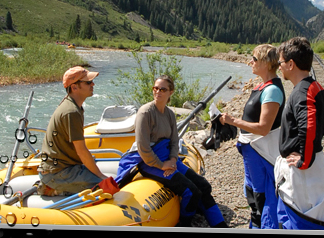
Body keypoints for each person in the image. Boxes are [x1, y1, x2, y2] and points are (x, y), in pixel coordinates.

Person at [116, 75, 228, 228]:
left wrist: (173, 160)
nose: (158, 92)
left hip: (168, 157)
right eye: (155, 88)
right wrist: (162, 165)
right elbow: (143, 148)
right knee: (191, 191)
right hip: (150, 162)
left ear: (171, 92)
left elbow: (174, 141)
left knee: (204, 186)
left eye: (163, 89)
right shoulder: (145, 113)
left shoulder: (169, 114)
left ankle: (219, 225)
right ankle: (185, 223)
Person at [219, 44, 285, 229]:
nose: (250, 62)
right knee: (253, 193)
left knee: (262, 195)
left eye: (254, 59)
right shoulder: (264, 86)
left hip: (261, 153)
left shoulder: (271, 90)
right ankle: (256, 224)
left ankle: (264, 227)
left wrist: (233, 121)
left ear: (266, 63)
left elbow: (264, 128)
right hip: (253, 152)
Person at [275, 37, 324, 230]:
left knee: (303, 224)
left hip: (302, 175)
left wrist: (304, 159)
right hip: (306, 169)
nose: (279, 67)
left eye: (280, 62)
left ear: (291, 64)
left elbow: (309, 125)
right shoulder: (314, 86)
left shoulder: (301, 92)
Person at [38, 66, 108, 196]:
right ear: (74, 87)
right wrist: (100, 176)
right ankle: (54, 187)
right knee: (104, 186)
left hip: (62, 167)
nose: (93, 84)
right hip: (58, 172)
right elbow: (81, 150)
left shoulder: (73, 106)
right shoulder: (71, 112)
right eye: (88, 82)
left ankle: (57, 187)